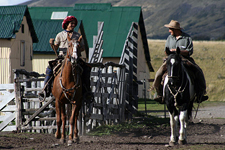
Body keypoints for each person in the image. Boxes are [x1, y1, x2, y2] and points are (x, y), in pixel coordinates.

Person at [151, 20, 208, 104]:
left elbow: (189, 51)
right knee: (159, 73)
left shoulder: (187, 38)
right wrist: (169, 52)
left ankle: (200, 93)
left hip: (184, 59)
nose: (169, 31)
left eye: (170, 29)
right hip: (170, 59)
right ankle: (159, 93)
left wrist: (178, 51)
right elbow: (166, 51)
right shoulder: (169, 38)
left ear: (175, 29)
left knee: (198, 70)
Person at [39, 15, 93, 101]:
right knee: (50, 68)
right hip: (62, 57)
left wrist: (78, 47)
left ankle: (87, 91)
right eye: (71, 23)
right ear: (67, 24)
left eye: (74, 24)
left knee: (86, 69)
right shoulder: (60, 35)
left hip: (75, 57)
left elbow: (83, 48)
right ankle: (45, 89)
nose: (73, 25)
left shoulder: (78, 35)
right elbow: (55, 48)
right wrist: (52, 44)